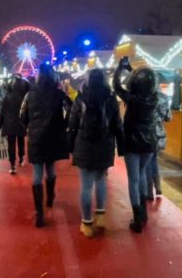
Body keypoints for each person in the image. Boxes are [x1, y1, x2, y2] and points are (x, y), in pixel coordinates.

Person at [68, 69, 124, 238]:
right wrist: (120, 146)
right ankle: (100, 216)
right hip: (105, 145)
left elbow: (73, 124)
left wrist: (70, 147)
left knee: (85, 186)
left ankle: (86, 223)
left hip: (84, 145)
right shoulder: (111, 98)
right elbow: (117, 124)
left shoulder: (81, 98)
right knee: (101, 180)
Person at [20, 64, 72, 228]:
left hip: (36, 137)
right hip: (53, 136)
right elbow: (72, 108)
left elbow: (22, 114)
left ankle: (39, 213)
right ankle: (50, 197)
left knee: (37, 172)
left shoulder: (30, 94)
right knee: (50, 167)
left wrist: (29, 125)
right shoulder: (59, 94)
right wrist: (64, 123)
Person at [113, 57, 159, 233]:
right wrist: (132, 70)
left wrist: (121, 68)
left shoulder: (131, 98)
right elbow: (143, 82)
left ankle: (137, 216)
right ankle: (143, 212)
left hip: (132, 140)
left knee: (133, 178)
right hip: (149, 142)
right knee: (141, 174)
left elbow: (117, 86)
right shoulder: (154, 98)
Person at [0, 74, 30, 174]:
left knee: (11, 144)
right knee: (20, 141)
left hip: (9, 123)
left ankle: (12, 165)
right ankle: (21, 157)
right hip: (21, 123)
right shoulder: (24, 97)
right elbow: (27, 111)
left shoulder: (7, 97)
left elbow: (2, 112)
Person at [146, 90, 172, 199]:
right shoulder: (164, 98)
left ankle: (149, 190)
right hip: (159, 134)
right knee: (154, 160)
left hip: (147, 134)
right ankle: (158, 186)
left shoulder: (145, 97)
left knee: (148, 162)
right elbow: (169, 118)